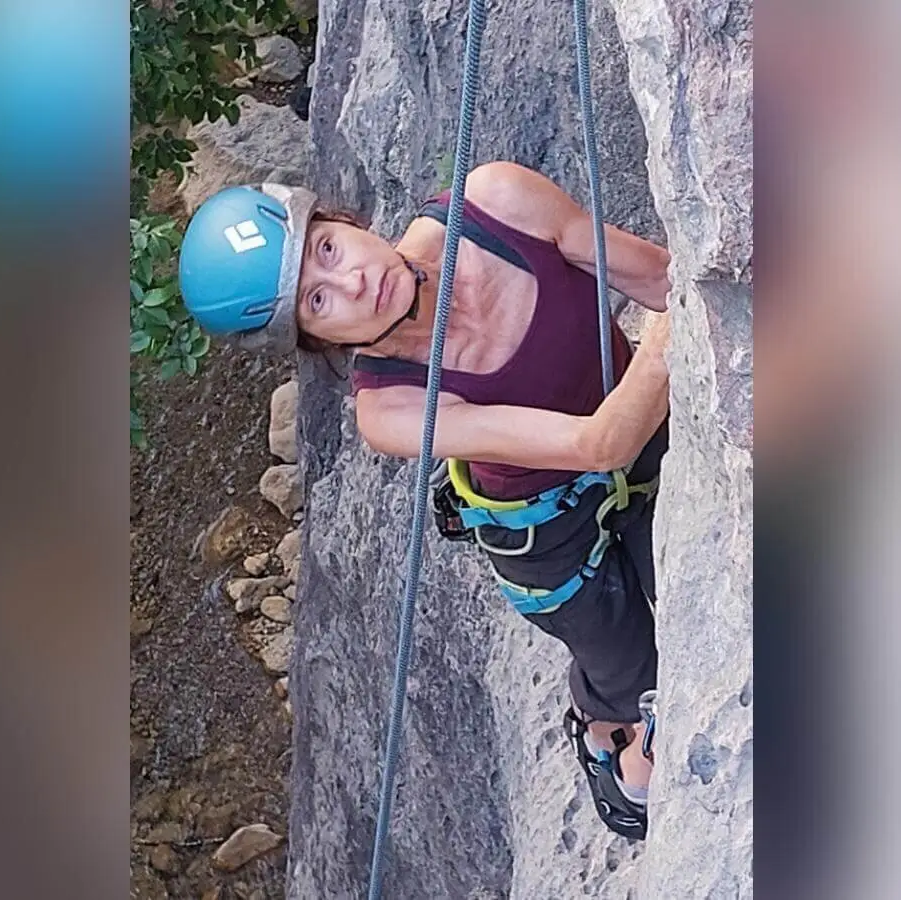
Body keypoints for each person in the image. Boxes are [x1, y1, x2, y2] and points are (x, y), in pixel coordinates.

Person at [178, 161, 672, 840]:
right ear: (318, 340)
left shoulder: (495, 203)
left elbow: (656, 278)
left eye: (327, 249)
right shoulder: (391, 409)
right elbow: (599, 443)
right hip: (546, 541)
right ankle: (607, 739)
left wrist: (694, 295)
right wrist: (684, 322)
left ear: (341, 221)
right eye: (318, 302)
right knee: (642, 682)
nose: (352, 281)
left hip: (645, 448)